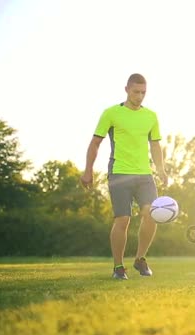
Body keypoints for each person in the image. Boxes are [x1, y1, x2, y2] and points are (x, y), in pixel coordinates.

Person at [80, 73, 168, 280]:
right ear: (126, 89)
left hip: (145, 175)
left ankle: (140, 259)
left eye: (143, 92)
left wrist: (161, 169)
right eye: (136, 92)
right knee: (123, 219)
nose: (140, 96)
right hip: (119, 173)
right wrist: (88, 170)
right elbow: (95, 143)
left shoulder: (151, 116)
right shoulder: (111, 113)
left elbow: (155, 145)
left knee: (152, 214)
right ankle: (118, 267)